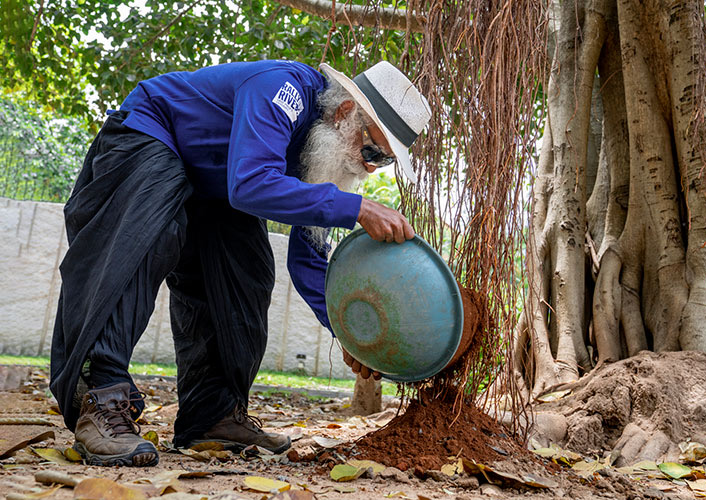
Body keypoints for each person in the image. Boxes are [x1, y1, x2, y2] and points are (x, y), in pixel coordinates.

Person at [49, 59, 432, 467]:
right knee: (146, 236)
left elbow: (308, 258)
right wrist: (355, 208)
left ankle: (212, 417)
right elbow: (250, 183)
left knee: (246, 270)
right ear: (345, 113)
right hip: (152, 135)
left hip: (214, 185)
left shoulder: (320, 147)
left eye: (384, 161)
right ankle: (100, 400)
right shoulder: (280, 89)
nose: (370, 166)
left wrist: (351, 335)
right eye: (372, 149)